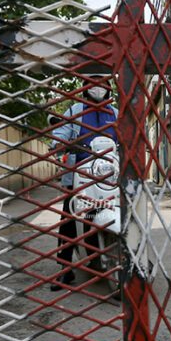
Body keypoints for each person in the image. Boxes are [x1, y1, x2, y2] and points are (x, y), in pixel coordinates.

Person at [50, 80, 118, 289]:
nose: (98, 88)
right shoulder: (75, 111)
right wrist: (61, 143)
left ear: (109, 88)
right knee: (69, 218)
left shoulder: (115, 113)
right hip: (80, 175)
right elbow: (59, 135)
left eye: (102, 84)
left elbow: (128, 137)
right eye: (93, 83)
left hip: (111, 174)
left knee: (132, 210)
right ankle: (65, 268)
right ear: (85, 87)